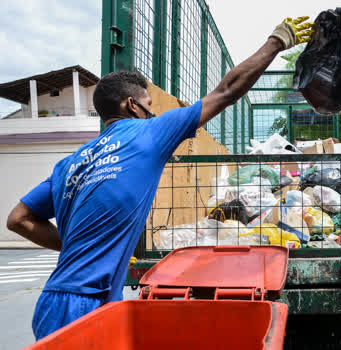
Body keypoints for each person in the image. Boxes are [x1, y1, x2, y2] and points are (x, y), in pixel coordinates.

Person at [6, 17, 314, 341]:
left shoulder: (70, 163)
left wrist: (80, 246)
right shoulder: (150, 132)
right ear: (133, 105)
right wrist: (277, 41)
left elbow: (18, 219)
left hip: (52, 300)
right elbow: (226, 91)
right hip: (89, 305)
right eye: (149, 106)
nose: (153, 112)